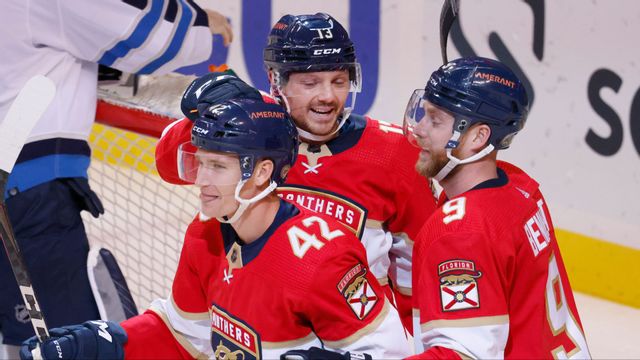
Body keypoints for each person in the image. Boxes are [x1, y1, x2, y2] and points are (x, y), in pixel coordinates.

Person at [20, 98, 410, 360]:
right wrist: (103, 341)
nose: (201, 180)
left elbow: (390, 351)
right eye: (199, 162)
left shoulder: (322, 257)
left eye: (218, 167)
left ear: (261, 173)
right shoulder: (205, 232)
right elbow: (183, 334)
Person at [156, 12, 438, 331]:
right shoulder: (251, 128)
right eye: (310, 82)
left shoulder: (395, 152)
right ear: (276, 80)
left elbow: (420, 271)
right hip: (257, 326)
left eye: (339, 81)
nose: (328, 97)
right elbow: (169, 165)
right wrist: (201, 119)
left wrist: (409, 345)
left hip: (354, 331)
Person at [0, 1, 232, 357]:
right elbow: (147, 34)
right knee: (69, 344)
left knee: (18, 339)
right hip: (27, 195)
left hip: (16, 190)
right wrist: (201, 21)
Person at [404, 56, 591, 358]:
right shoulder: (519, 187)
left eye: (435, 120)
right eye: (423, 114)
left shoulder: (460, 233)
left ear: (478, 136)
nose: (420, 129)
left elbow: (465, 355)